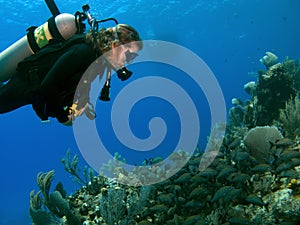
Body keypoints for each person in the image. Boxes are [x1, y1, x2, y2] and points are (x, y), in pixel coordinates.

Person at [0, 24, 143, 126]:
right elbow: (48, 86)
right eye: (129, 54)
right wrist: (63, 118)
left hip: (32, 88)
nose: (128, 61)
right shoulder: (84, 52)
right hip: (26, 82)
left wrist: (81, 104)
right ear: (115, 45)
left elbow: (79, 83)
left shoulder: (97, 61)